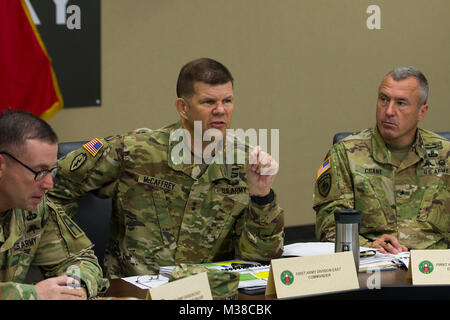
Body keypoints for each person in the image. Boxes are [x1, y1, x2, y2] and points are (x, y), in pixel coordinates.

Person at [49, 58, 284, 278]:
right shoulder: (135, 150)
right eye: (208, 102)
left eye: (227, 101)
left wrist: (262, 196)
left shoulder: (246, 161)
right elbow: (51, 189)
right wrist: (75, 256)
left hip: (207, 294)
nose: (221, 110)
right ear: (183, 107)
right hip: (135, 291)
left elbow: (261, 258)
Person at [314, 66, 449, 254]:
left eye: (401, 103)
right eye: (384, 99)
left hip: (434, 269)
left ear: (422, 111)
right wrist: (368, 246)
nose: (389, 111)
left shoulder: (445, 154)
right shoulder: (346, 153)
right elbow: (328, 225)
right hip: (373, 263)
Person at [0, 110, 108, 299]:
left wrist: (74, 287)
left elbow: (81, 259)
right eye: (39, 171)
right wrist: (34, 295)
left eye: (51, 170)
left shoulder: (35, 209)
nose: (48, 184)